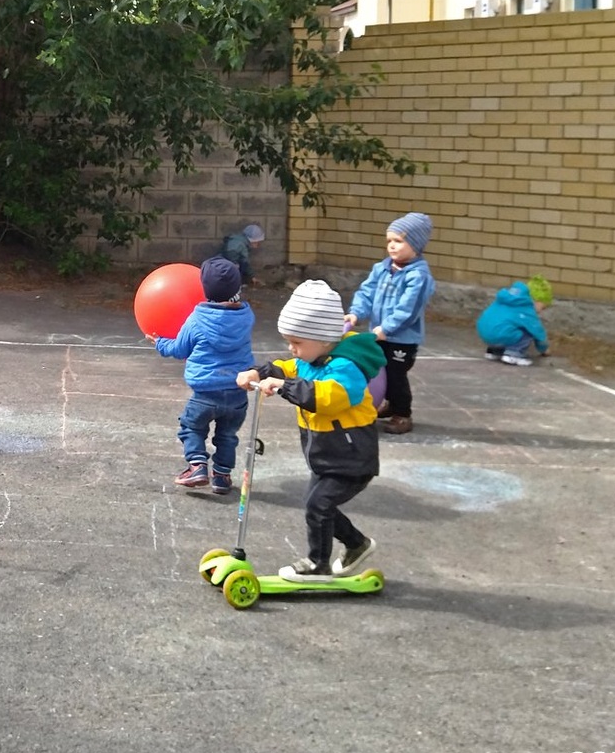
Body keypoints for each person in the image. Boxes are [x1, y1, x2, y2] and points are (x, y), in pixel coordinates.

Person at [238, 280, 385, 582]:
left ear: (323, 338)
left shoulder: (346, 368)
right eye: (289, 341)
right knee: (318, 505)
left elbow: (327, 398)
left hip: (352, 457)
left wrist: (283, 386)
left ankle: (317, 564)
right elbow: (284, 367)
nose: (292, 349)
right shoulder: (309, 360)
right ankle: (357, 544)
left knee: (318, 505)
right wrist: (260, 372)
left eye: (298, 342)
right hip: (325, 455)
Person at [152, 256, 256, 495]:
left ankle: (197, 465)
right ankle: (221, 477)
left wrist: (160, 343)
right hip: (238, 391)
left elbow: (179, 349)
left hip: (205, 392)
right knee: (227, 435)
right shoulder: (246, 316)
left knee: (191, 427)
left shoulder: (197, 319)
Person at [343, 212, 436, 435]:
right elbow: (366, 292)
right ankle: (391, 404)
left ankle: (402, 413)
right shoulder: (382, 268)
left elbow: (409, 310)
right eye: (389, 241)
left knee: (395, 375)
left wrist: (388, 328)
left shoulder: (418, 276)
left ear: (416, 244)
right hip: (379, 334)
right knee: (379, 370)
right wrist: (356, 313)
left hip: (401, 339)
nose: (392, 246)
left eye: (399, 241)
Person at [478, 274, 552, 367]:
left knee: (507, 327)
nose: (541, 311)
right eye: (542, 307)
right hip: (500, 334)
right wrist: (544, 349)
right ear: (536, 300)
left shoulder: (506, 299)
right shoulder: (527, 309)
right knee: (528, 331)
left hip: (485, 333)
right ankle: (513, 354)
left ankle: (494, 351)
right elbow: (538, 333)